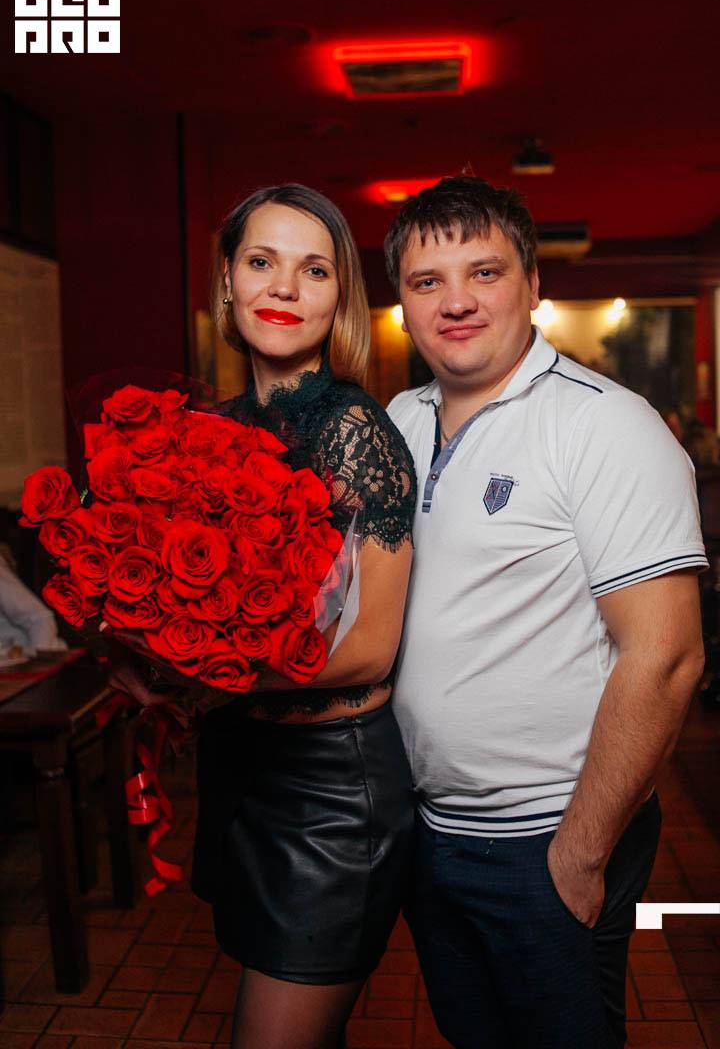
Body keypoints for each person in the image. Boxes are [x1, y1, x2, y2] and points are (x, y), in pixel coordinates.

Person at [384, 176, 707, 1049]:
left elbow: (667, 657)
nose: (456, 302)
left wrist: (583, 848)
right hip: (431, 829)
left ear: (532, 285)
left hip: (549, 836)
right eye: (427, 281)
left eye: (484, 273)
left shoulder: (606, 426)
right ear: (404, 305)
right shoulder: (398, 422)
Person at [109, 184, 416, 1049]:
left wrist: (200, 680)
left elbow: (370, 648)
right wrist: (140, 650)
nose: (283, 286)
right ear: (228, 282)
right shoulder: (214, 427)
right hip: (241, 769)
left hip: (331, 789)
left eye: (314, 269)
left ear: (339, 296)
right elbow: (193, 607)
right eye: (261, 261)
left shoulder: (355, 430)